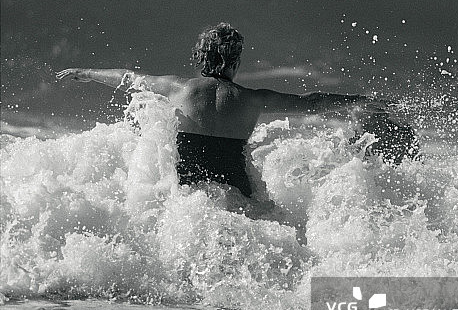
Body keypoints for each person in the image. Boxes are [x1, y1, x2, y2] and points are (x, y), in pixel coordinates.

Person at [56, 22, 390, 199]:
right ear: (236, 62)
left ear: (197, 60)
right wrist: (357, 100)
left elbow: (127, 78)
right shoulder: (253, 98)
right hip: (238, 190)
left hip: (188, 195)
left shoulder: (178, 88)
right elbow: (312, 102)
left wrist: (85, 73)